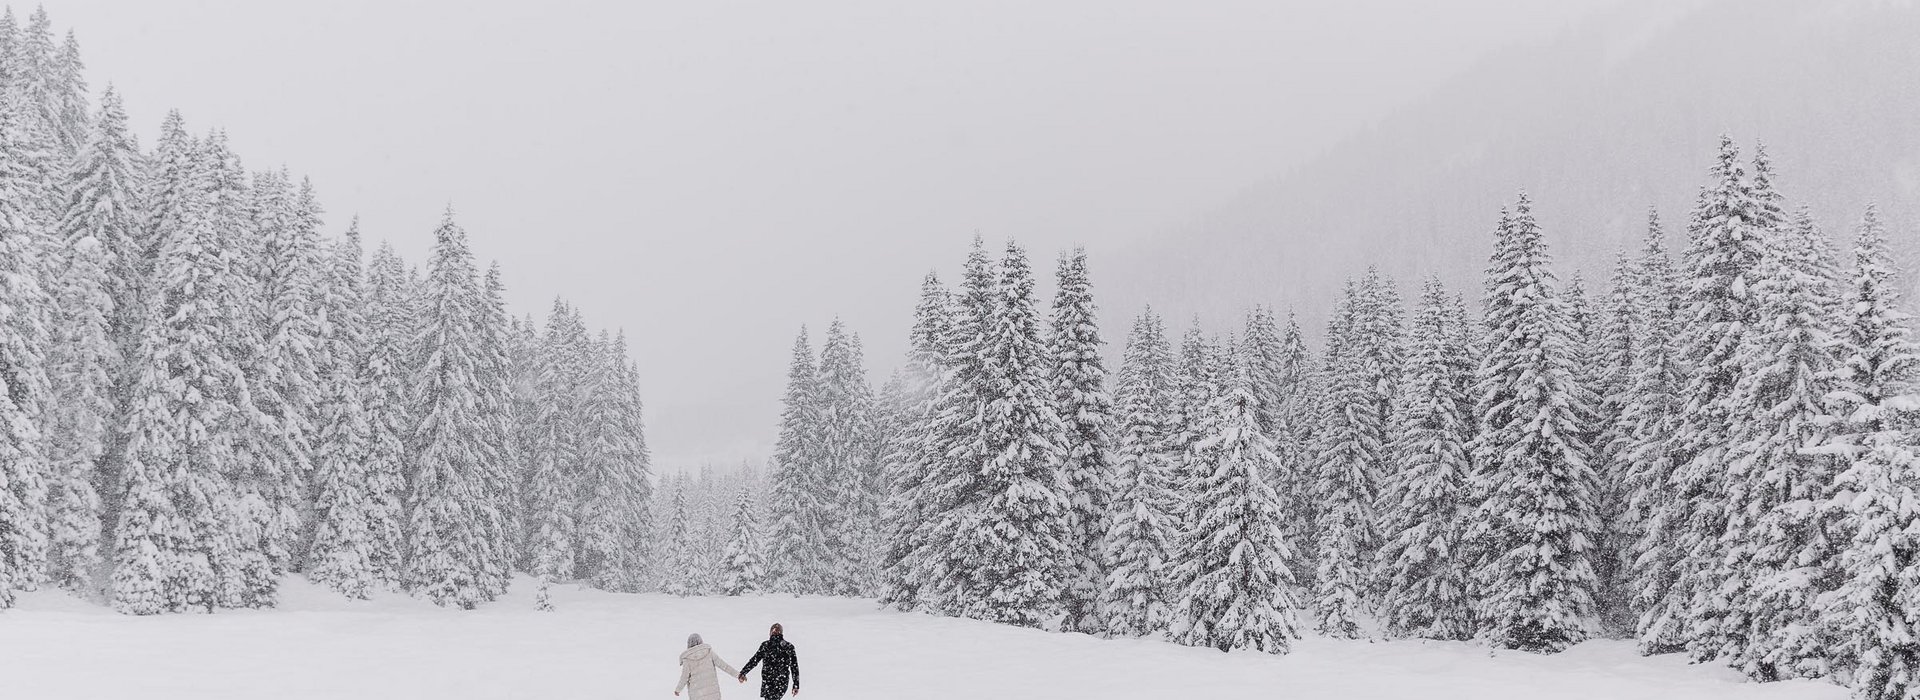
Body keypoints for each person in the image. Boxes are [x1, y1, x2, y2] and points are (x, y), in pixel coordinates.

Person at [738, 623, 800, 698]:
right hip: (781, 682)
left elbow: (754, 660)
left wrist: (743, 672)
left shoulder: (766, 645)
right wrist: (796, 685)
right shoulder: (788, 647)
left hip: (769, 681)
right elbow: (794, 667)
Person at [675, 633, 744, 700]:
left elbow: (684, 677)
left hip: (697, 695)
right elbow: (724, 666)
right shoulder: (709, 653)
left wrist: (678, 689)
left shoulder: (687, 660)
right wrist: (738, 675)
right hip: (713, 694)